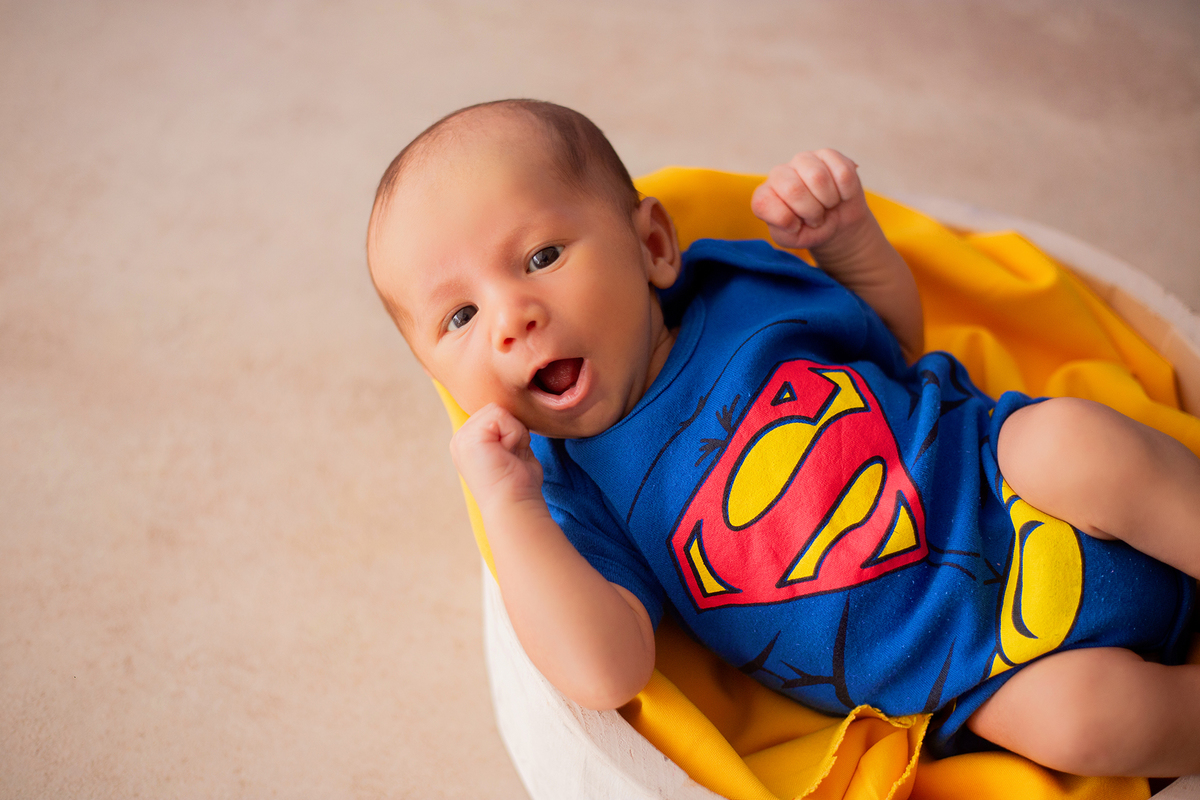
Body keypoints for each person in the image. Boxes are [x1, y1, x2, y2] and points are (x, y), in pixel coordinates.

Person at [366, 99, 1200, 776]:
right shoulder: (568, 494)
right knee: (1081, 726)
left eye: (541, 256)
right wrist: (507, 508)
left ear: (652, 246)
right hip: (979, 667)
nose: (511, 318)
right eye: (460, 316)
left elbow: (891, 342)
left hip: (994, 477)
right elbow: (604, 671)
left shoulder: (734, 290)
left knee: (1073, 444)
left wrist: (848, 243)